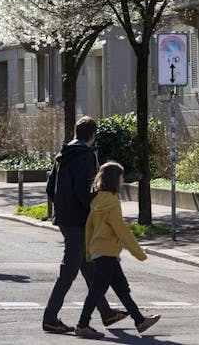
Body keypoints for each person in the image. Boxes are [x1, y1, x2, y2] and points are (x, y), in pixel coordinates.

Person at [43, 117, 129, 335]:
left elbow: (50, 187)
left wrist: (62, 206)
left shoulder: (63, 155)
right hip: (79, 221)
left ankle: (106, 312)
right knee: (69, 270)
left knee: (88, 267)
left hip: (65, 218)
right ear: (92, 135)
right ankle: (50, 318)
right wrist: (94, 209)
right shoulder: (85, 155)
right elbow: (85, 190)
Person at [74, 161, 161, 339]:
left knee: (122, 289)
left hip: (103, 252)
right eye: (121, 177)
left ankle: (140, 321)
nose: (123, 180)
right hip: (107, 253)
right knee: (96, 292)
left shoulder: (97, 199)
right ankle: (82, 325)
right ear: (116, 180)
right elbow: (121, 229)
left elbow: (89, 227)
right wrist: (138, 253)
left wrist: (89, 252)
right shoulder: (112, 202)